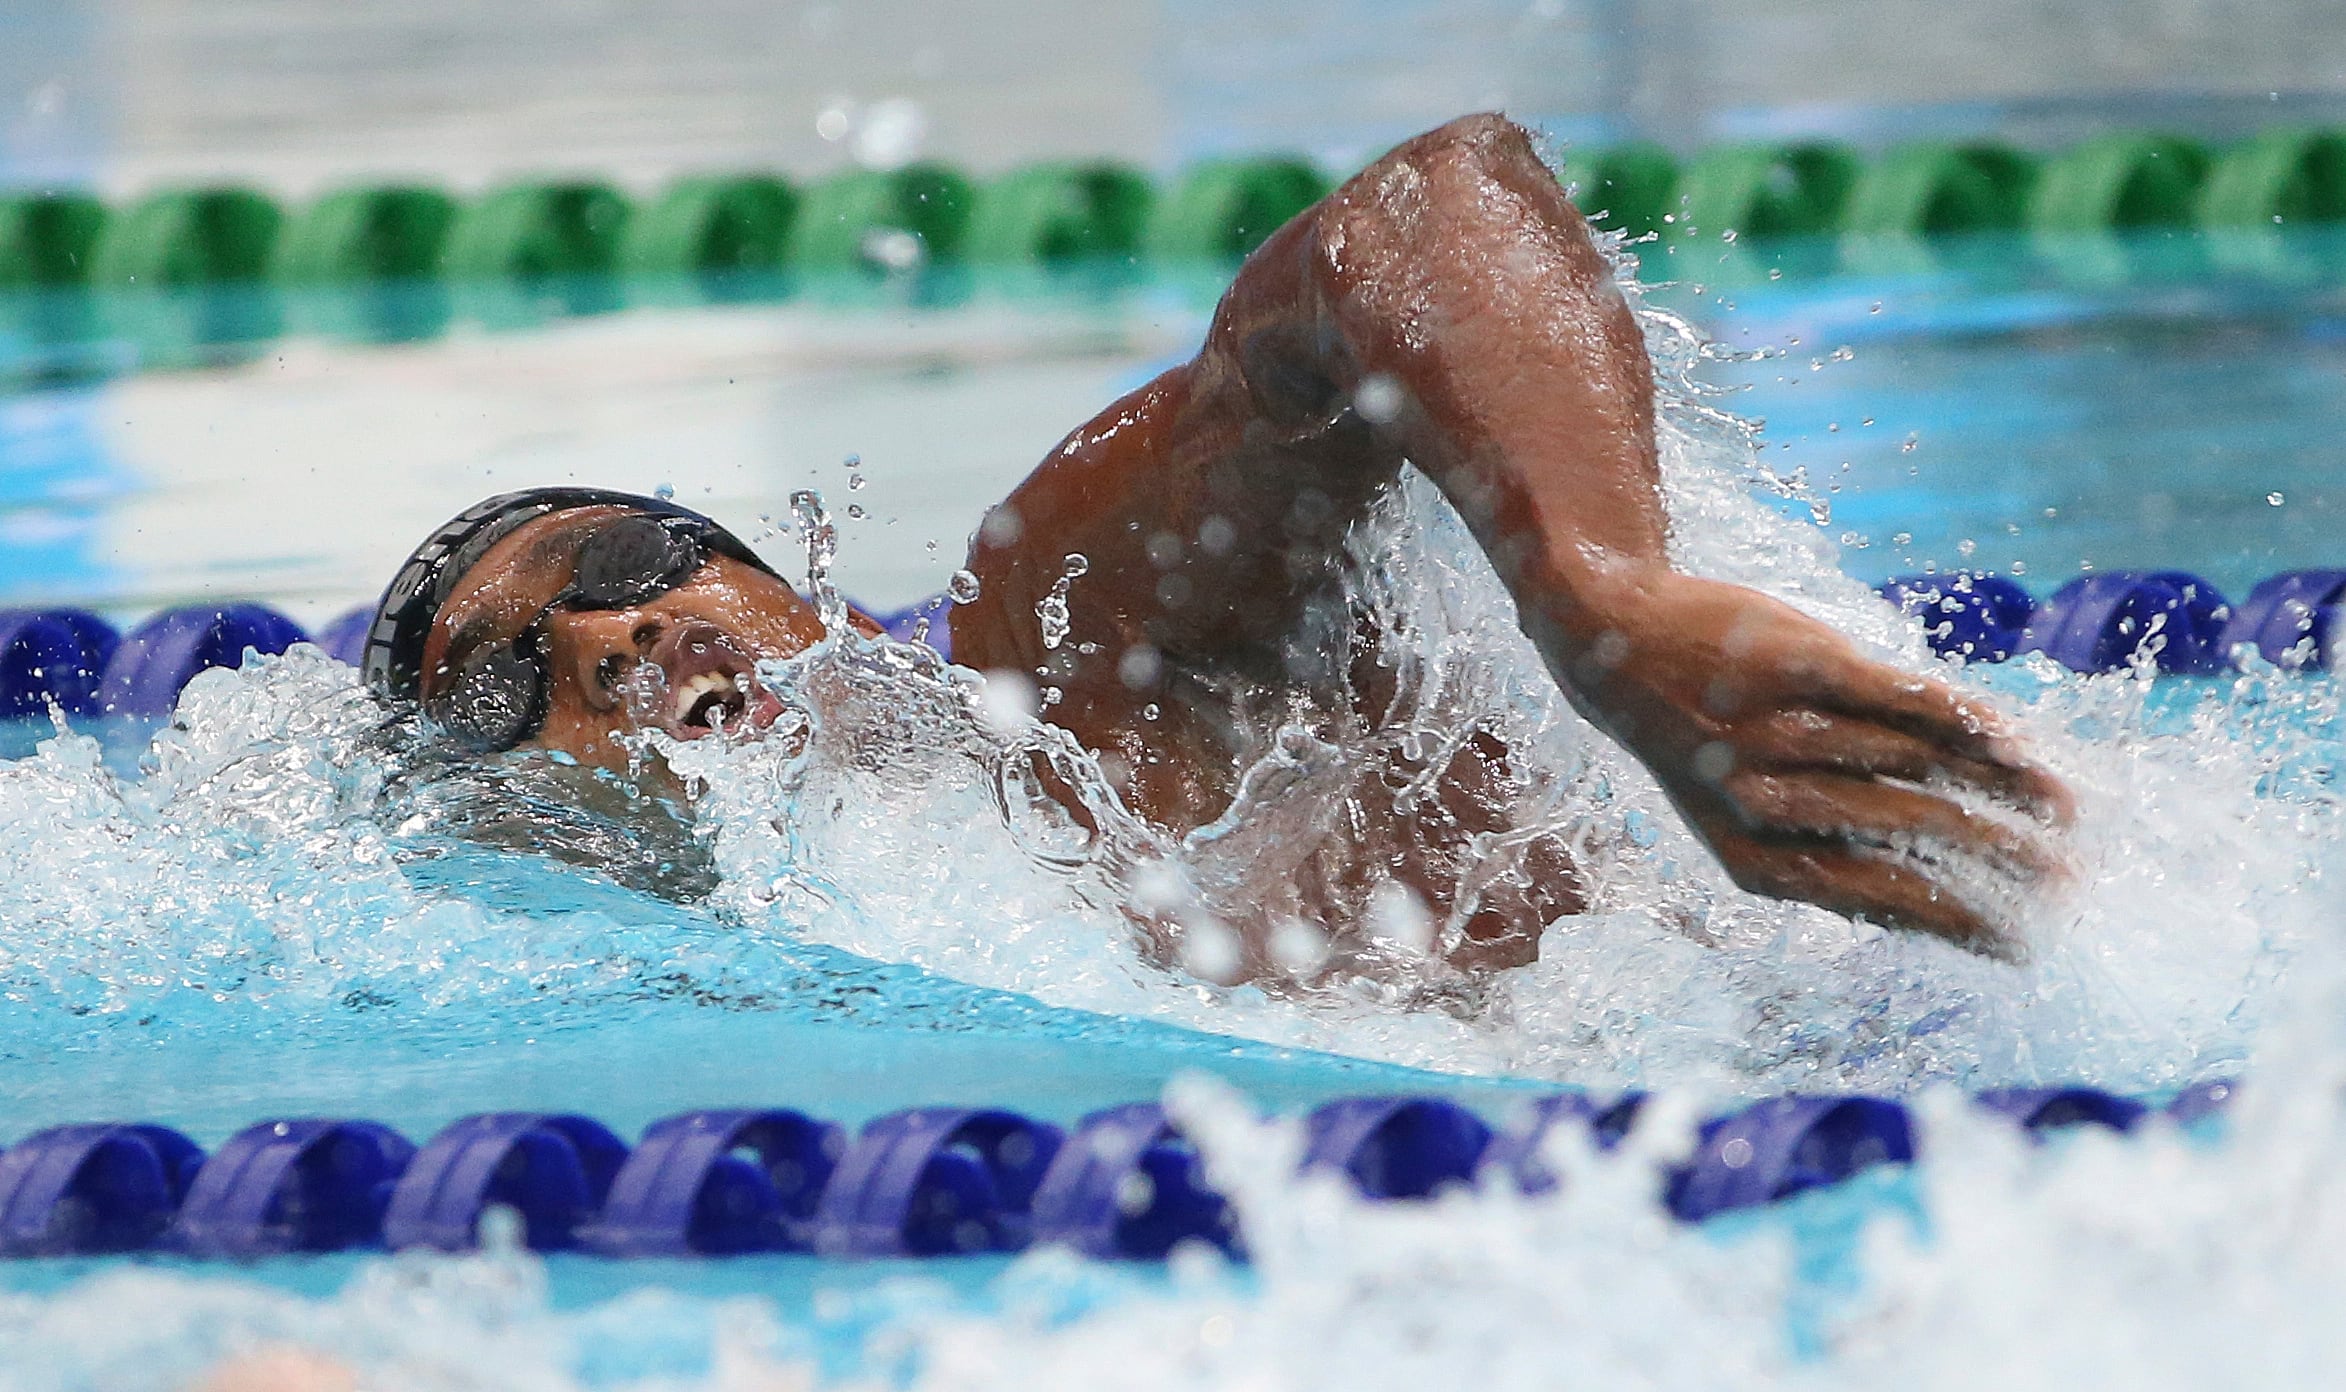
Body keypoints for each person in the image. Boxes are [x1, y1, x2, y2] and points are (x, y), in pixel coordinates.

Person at [364, 114, 2070, 981]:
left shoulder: (1072, 646)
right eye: (514, 673)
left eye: (625, 561)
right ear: (537, 812)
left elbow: (1420, 209)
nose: (612, 636)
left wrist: (1600, 600)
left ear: (771, 575)